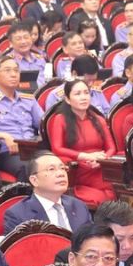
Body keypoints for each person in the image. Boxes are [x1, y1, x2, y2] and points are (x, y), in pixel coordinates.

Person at [46, 79, 116, 207]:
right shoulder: (60, 119)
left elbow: (111, 147)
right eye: (77, 94)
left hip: (99, 166)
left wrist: (102, 159)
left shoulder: (98, 119)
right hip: (77, 169)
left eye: (86, 93)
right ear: (68, 99)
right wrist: (84, 156)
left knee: (119, 192)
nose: (83, 97)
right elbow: (57, 148)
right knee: (103, 198)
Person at [1, 153, 92, 233]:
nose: (61, 173)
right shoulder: (18, 215)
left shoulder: (79, 206)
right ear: (34, 180)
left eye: (62, 168)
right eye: (51, 169)